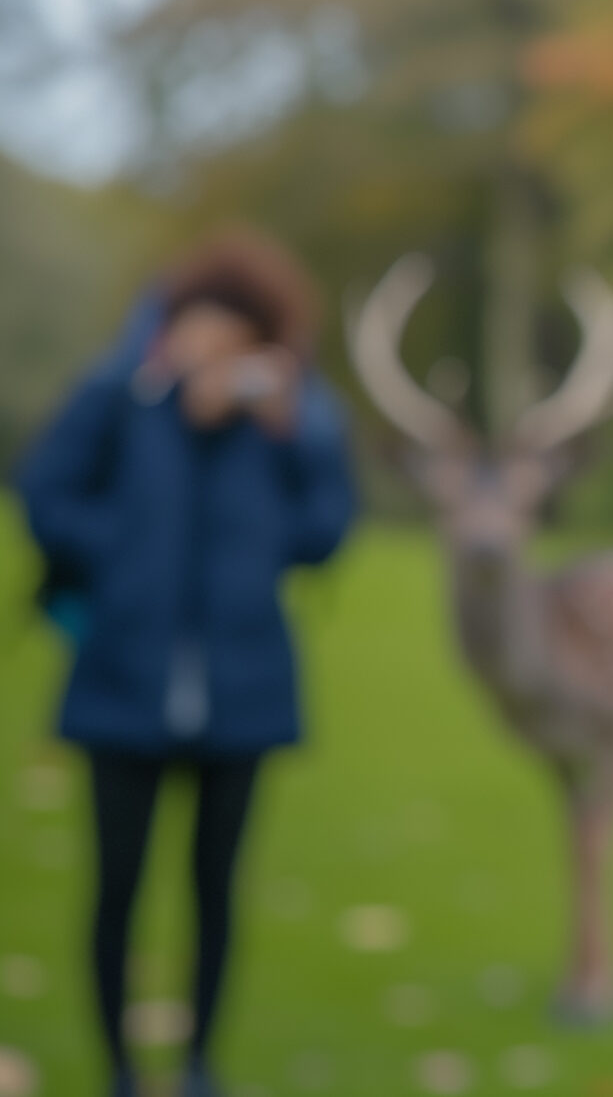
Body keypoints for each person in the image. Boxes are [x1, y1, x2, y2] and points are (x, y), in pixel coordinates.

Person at [15, 229, 357, 1097]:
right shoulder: (123, 398)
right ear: (170, 328)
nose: (215, 351)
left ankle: (199, 1062)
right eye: (200, 327)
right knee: (117, 886)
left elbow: (324, 533)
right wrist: (126, 554)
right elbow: (44, 493)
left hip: (242, 690)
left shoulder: (284, 424)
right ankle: (121, 1069)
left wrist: (292, 433)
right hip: (121, 681)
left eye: (236, 338)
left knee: (215, 889)